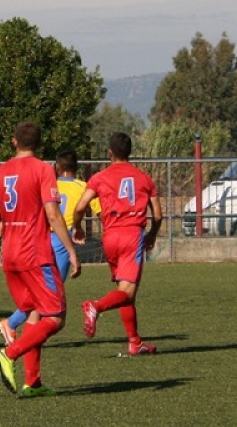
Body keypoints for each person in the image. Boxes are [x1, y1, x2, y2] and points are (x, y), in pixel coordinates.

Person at [0, 121, 80, 398]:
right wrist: (71, 250)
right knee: (56, 317)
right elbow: (52, 214)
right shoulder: (43, 170)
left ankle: (33, 382)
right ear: (39, 143)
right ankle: (8, 353)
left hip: (9, 254)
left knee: (35, 313)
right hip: (35, 254)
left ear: (14, 141)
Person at [0, 148, 101, 346]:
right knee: (49, 295)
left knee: (41, 293)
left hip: (38, 239)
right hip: (60, 241)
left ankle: (27, 337)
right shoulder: (82, 186)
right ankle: (11, 324)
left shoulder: (46, 181)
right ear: (76, 168)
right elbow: (99, 209)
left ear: (57, 166)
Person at [72, 132, 163, 356]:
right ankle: (96, 306)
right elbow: (158, 215)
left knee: (124, 292)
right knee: (127, 292)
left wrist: (78, 227)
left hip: (110, 236)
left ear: (109, 153)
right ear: (129, 152)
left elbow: (80, 205)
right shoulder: (143, 178)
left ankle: (134, 341)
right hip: (132, 234)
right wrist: (152, 235)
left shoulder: (100, 177)